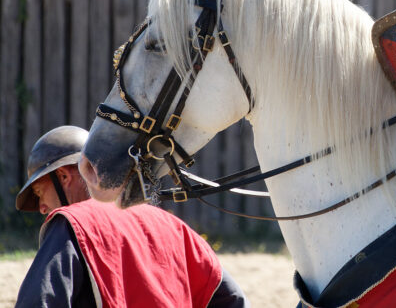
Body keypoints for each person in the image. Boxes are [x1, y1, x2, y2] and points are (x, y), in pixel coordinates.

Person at [14, 125, 249, 308]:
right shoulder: (172, 226)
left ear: (64, 177)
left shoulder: (71, 223)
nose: (42, 208)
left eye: (39, 192)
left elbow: (38, 302)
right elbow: (233, 300)